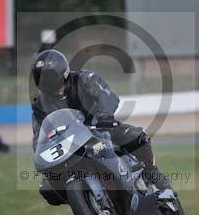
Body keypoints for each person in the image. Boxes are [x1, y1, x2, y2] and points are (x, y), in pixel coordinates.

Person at [30, 50, 170, 204]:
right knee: (47, 188)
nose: (45, 80)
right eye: (40, 76)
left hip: (100, 128)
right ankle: (85, 201)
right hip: (70, 146)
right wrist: (42, 151)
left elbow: (107, 96)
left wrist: (104, 117)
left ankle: (158, 181)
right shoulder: (39, 106)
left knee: (137, 137)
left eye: (49, 75)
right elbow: (39, 136)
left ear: (62, 71)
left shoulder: (83, 79)